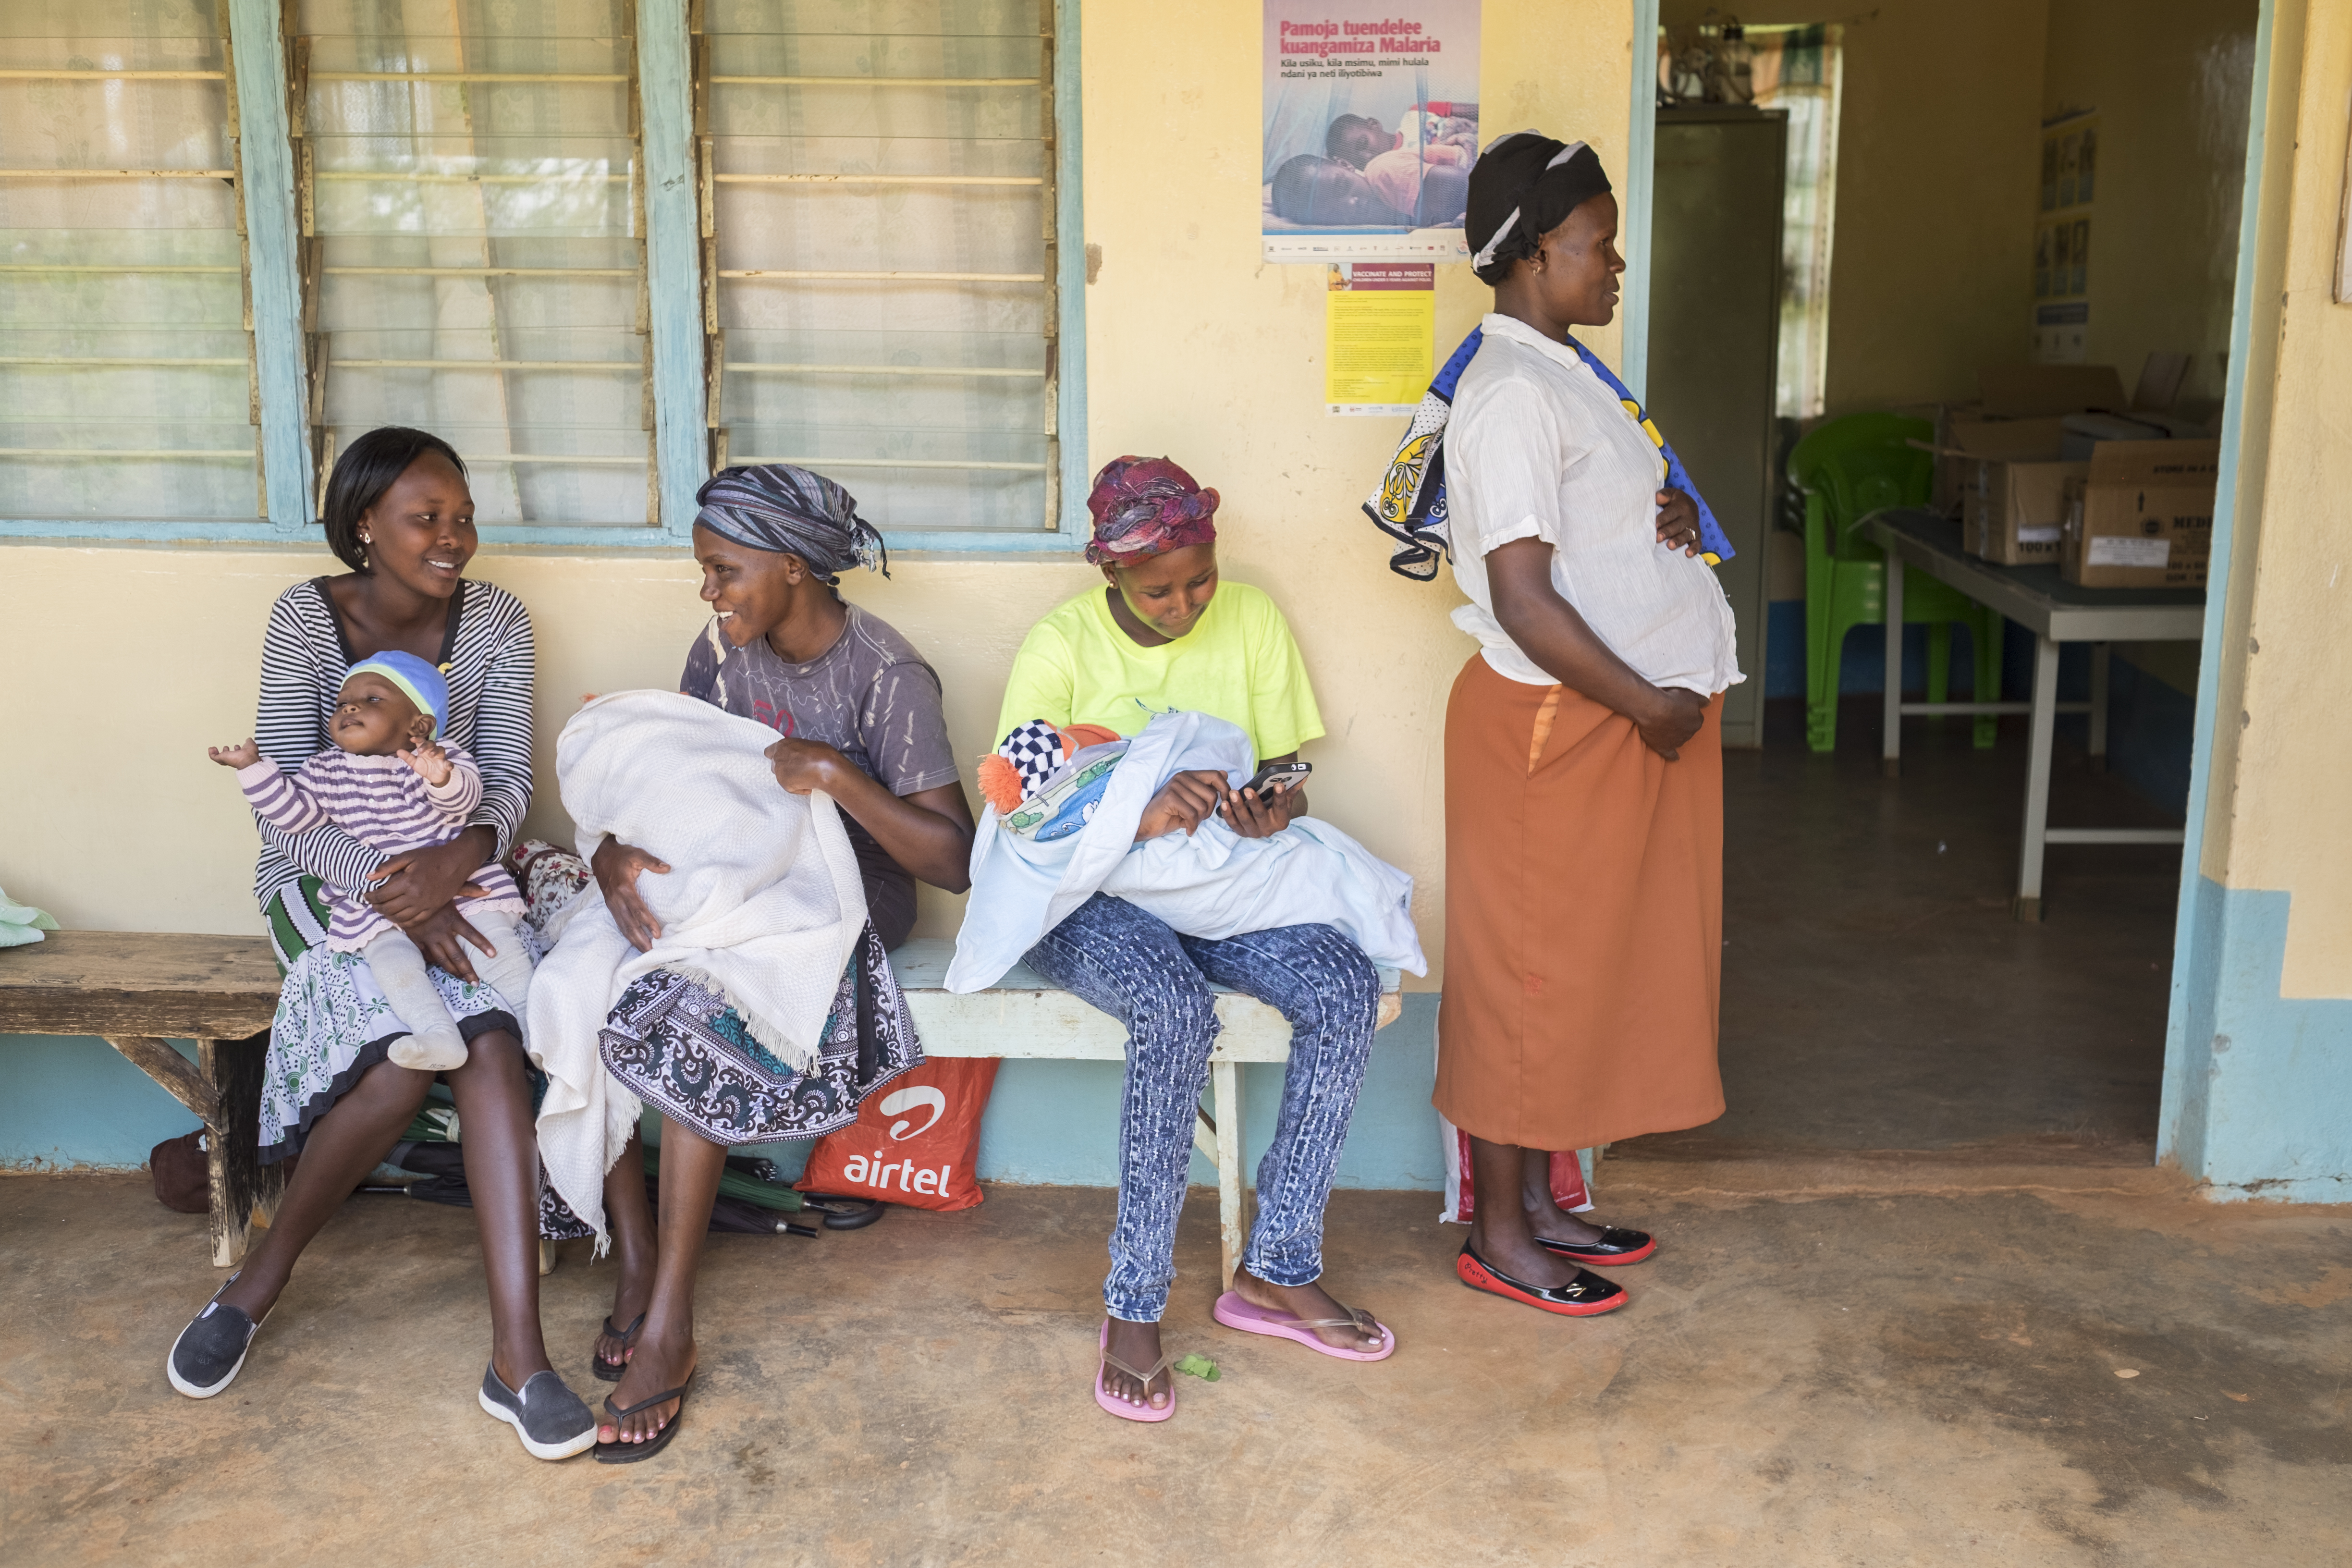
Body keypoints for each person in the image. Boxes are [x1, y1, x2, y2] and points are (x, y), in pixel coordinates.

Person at [165, 426, 594, 1460]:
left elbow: (508, 777)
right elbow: (283, 815)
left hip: (465, 877)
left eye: (463, 517)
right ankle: (258, 1283)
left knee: (491, 1051)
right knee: (401, 1076)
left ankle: (520, 1361)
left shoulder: (495, 621)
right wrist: (409, 899)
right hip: (326, 887)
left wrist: (457, 868)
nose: (455, 538)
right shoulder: (308, 622)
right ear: (366, 526)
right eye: (426, 518)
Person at [583, 463, 975, 1459]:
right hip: (740, 879)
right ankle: (641, 1270)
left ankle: (668, 1321)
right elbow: (668, 782)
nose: (710, 593)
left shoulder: (886, 674)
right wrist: (609, 850)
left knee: (699, 1000)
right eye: (706, 573)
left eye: (724, 571)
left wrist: (839, 776)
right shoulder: (721, 654)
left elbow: (951, 861)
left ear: (793, 568)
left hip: (851, 896)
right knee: (602, 978)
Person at [997, 455, 1393, 1423]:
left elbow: (1278, 770)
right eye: (1157, 591)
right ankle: (1133, 1308)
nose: (1186, 606)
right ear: (1111, 579)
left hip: (1214, 887)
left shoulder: (1252, 619)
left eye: (1200, 579)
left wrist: (1271, 808)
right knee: (1173, 1009)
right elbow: (1022, 812)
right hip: (1082, 900)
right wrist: (1134, 812)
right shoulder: (1058, 645)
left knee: (1344, 979)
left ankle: (1276, 1269)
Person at [1433, 134, 1740, 1314]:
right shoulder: (1508, 395)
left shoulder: (1563, 374)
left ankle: (1545, 1204)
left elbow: (1585, 537)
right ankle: (1500, 1233)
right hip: (1554, 727)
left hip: (1606, 717)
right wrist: (1650, 704)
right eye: (1596, 245)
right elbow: (1521, 596)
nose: (1614, 264)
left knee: (1583, 968)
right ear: (1529, 256)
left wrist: (1652, 513)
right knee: (1527, 977)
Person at [208, 652, 535, 1073]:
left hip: (460, 883)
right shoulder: (323, 771)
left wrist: (441, 779)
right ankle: (437, 1037)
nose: (350, 707)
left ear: (418, 725)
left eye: (372, 699)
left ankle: (537, 1028)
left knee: (496, 946)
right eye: (343, 702)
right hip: (373, 902)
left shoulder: (438, 758)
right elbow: (295, 819)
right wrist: (254, 771)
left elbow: (465, 805)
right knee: (392, 967)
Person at [1270, 153, 1411, 228]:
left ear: (1345, 164)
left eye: (1343, 186)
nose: (1351, 204)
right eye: (1334, 213)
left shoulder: (1389, 173)